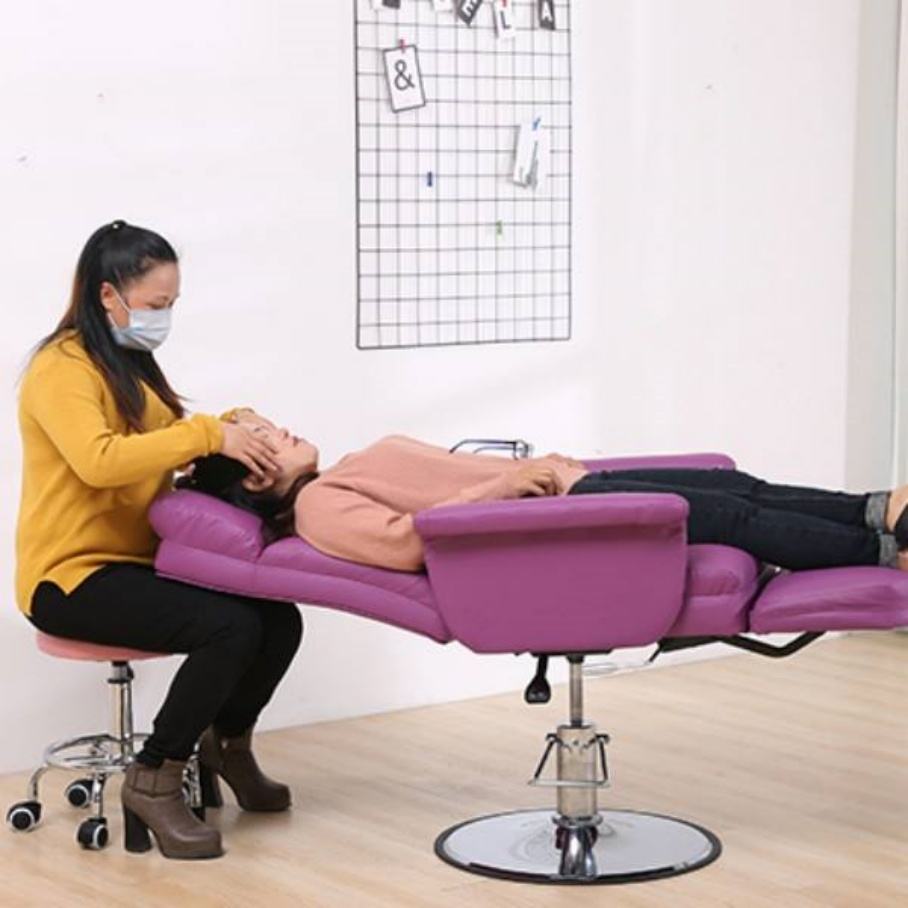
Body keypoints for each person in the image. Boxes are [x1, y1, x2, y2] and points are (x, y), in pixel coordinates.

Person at [15, 220, 303, 860]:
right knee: (229, 627)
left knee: (277, 619)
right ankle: (154, 777)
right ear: (107, 295)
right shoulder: (60, 368)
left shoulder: (127, 362)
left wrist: (235, 424)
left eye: (171, 304)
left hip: (136, 563)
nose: (163, 317)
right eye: (155, 304)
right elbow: (100, 460)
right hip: (70, 577)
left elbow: (166, 442)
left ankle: (226, 745)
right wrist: (207, 434)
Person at [178, 427, 908, 576]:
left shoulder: (345, 467)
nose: (279, 429)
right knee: (735, 520)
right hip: (554, 514)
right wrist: (503, 486)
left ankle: (879, 509)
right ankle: (883, 555)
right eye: (264, 439)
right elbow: (408, 543)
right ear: (256, 479)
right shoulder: (320, 507)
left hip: (563, 484)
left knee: (739, 488)